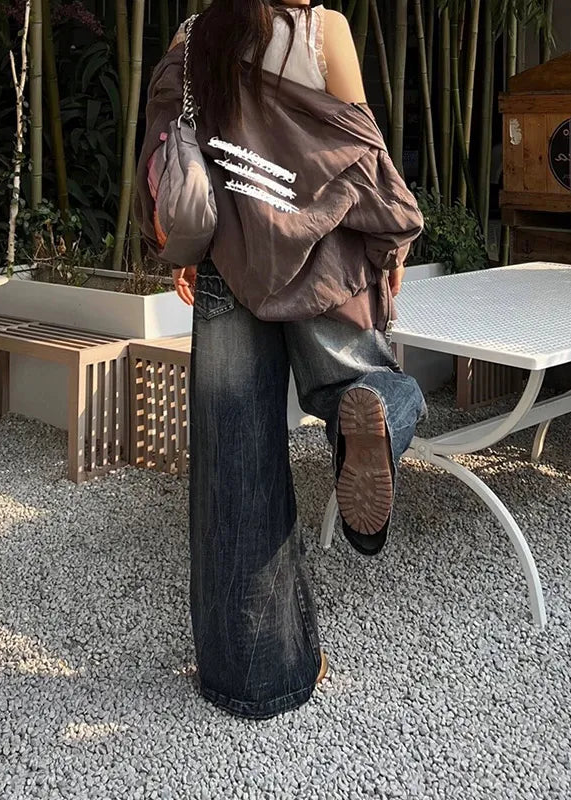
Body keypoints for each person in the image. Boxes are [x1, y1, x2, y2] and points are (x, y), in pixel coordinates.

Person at [133, 0, 427, 720]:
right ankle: (369, 414)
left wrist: (185, 245)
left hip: (229, 268)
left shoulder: (194, 34)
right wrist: (392, 245)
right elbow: (363, 152)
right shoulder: (326, 31)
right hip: (322, 259)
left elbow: (171, 153)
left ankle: (253, 677)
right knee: (363, 380)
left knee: (235, 462)